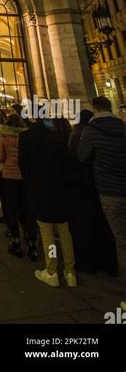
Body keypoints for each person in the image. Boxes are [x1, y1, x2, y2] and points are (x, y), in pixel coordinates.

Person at [19, 115, 77, 287]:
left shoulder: (27, 136)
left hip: (39, 188)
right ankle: (70, 272)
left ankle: (52, 270)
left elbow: (23, 165)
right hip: (60, 188)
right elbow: (69, 161)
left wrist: (29, 183)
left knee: (46, 230)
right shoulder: (59, 137)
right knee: (64, 230)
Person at [78, 96, 126, 293]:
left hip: (108, 189)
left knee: (120, 237)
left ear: (95, 108)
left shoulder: (92, 130)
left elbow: (82, 157)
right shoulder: (123, 127)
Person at [69, 109, 117, 274]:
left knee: (87, 224)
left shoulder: (80, 136)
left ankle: (88, 260)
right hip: (107, 186)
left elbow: (79, 158)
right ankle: (109, 262)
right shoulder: (120, 130)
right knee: (107, 227)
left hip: (85, 186)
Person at [0, 113, 34, 259]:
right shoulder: (27, 137)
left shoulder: (4, 137)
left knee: (11, 208)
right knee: (26, 209)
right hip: (25, 177)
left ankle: (15, 240)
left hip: (10, 177)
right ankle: (32, 242)